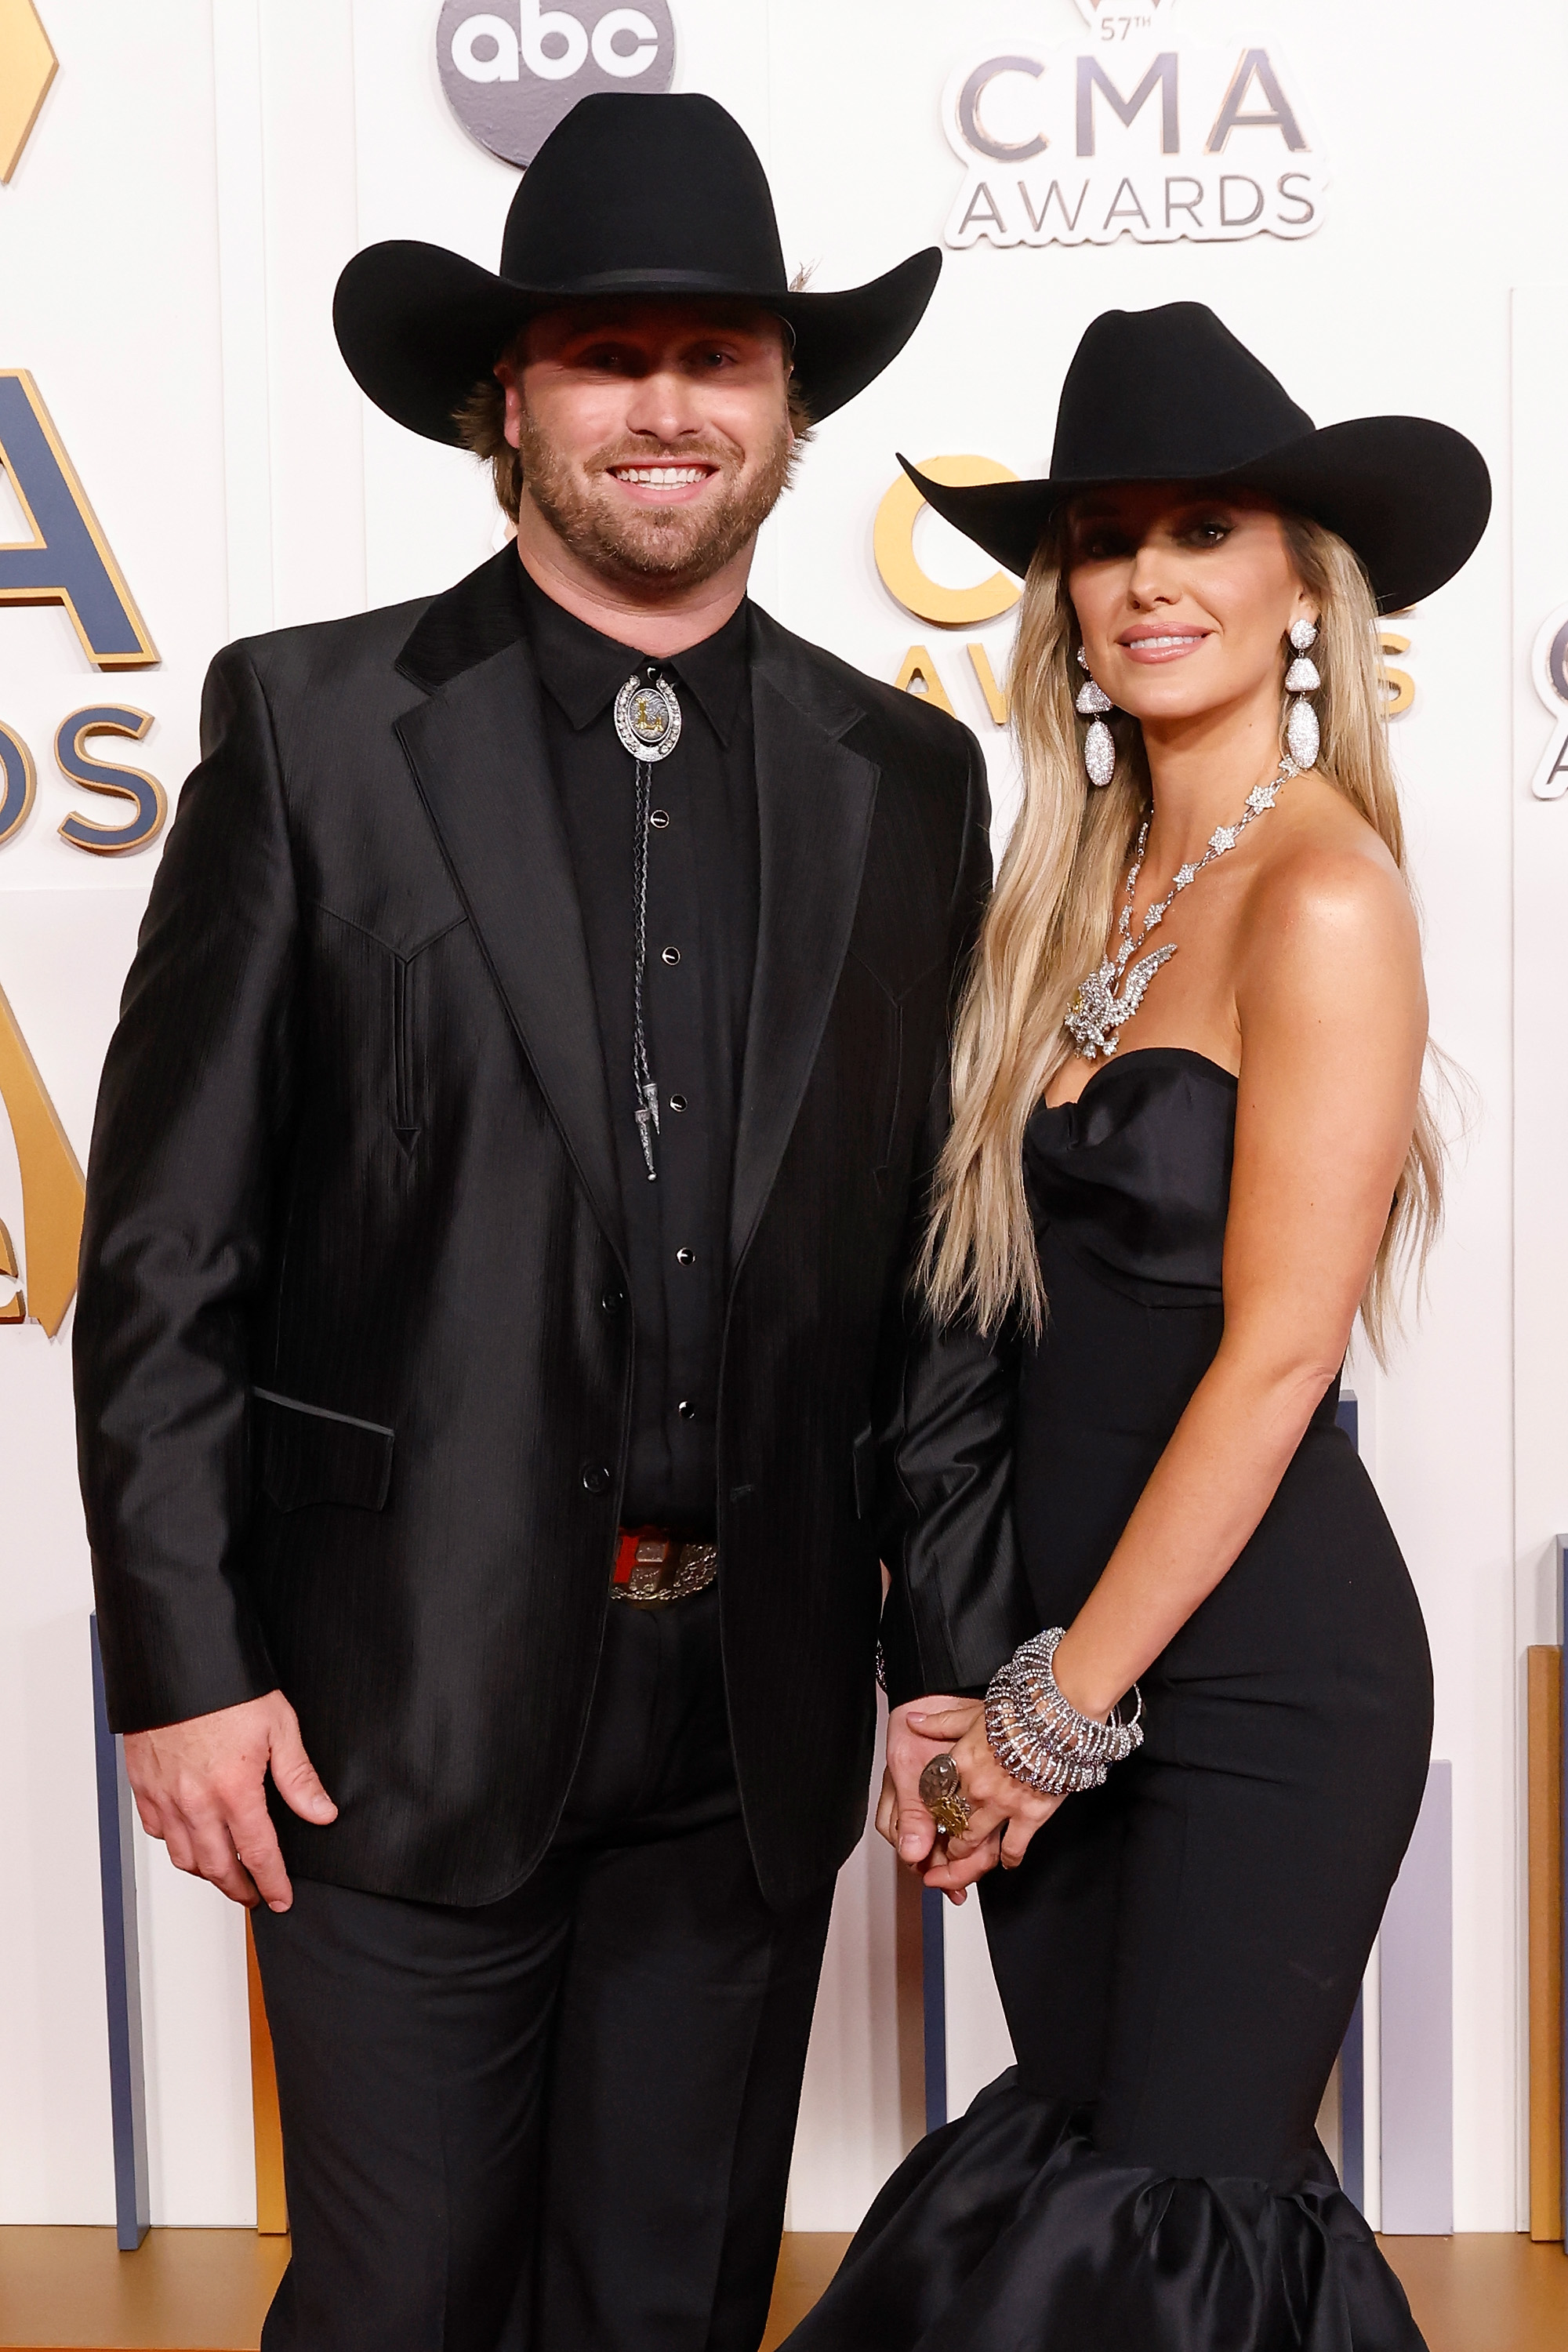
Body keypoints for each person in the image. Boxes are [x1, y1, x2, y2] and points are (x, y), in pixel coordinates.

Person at [73, 93, 1029, 2352]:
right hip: (388, 1706)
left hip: (748, 1729)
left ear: (791, 403)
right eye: (609, 356)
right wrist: (184, 1667)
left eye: (719, 357)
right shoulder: (311, 730)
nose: (668, 408)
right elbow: (168, 1252)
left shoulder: (909, 784)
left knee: (669, 2310)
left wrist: (953, 1657)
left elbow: (935, 1280)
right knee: (400, 2307)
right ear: (510, 398)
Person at [788, 303, 1490, 2350]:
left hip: (1257, 1682)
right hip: (1059, 1661)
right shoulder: (1067, 893)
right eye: (1106, 540)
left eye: (1205, 529)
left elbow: (1276, 1360)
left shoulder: (1324, 892)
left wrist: (1049, 1714)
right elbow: (986, 1342)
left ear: (1301, 586)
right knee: (1087, 2167)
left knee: (1177, 2219)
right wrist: (961, 1673)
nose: (1150, 579)